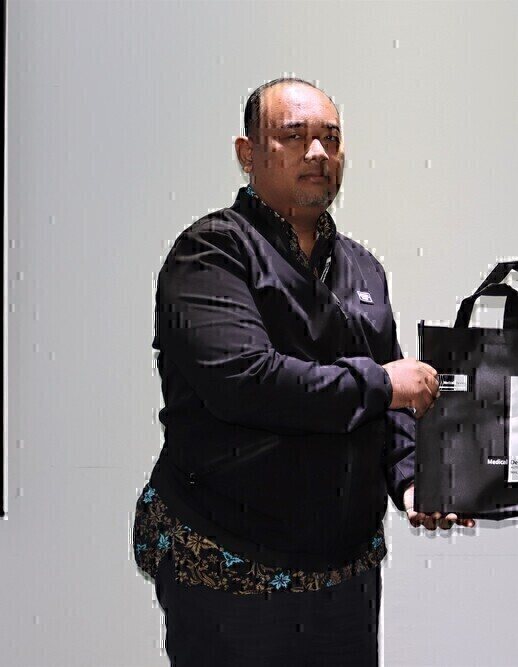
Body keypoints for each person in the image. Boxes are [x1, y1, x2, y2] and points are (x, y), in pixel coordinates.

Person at [131, 77, 471, 667]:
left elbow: (391, 406)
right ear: (248, 153)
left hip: (345, 574)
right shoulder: (211, 254)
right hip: (230, 566)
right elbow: (247, 382)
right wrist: (381, 383)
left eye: (330, 139)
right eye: (294, 136)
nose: (317, 153)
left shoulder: (363, 268)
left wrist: (412, 478)